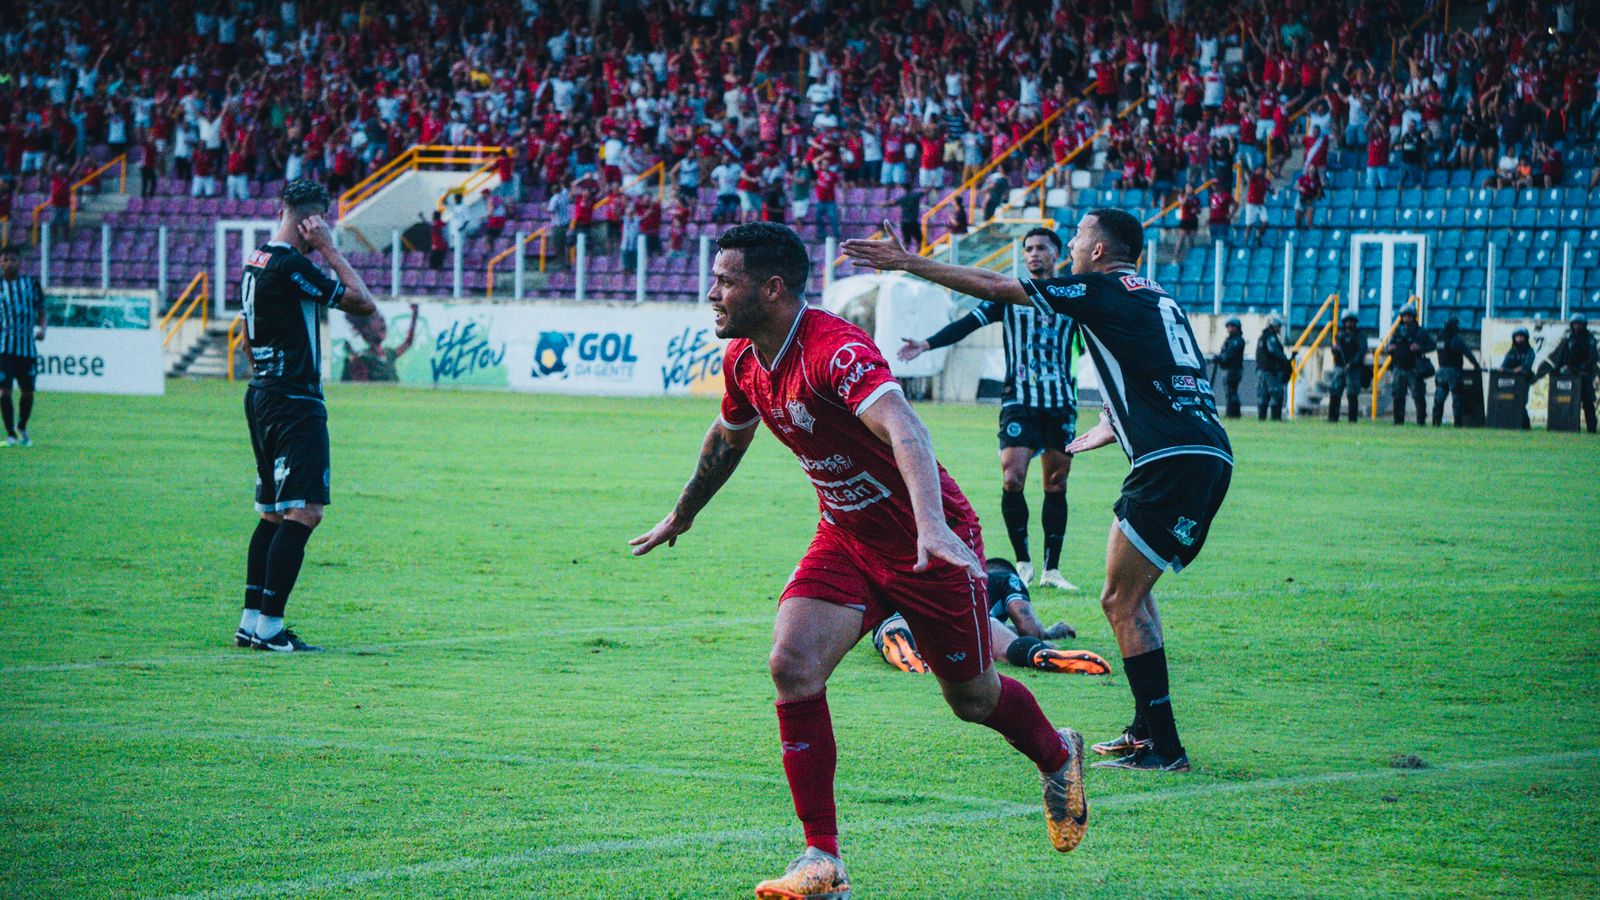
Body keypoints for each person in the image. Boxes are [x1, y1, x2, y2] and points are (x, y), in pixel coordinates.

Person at [632, 223, 1089, 897]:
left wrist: (931, 524)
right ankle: (823, 860)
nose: (712, 294)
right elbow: (728, 437)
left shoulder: (834, 348)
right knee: (792, 663)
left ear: (773, 288)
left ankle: (1057, 754)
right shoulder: (744, 362)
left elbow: (906, 426)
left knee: (972, 698)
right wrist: (686, 510)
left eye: (725, 281)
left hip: (928, 541)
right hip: (846, 536)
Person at [845, 207, 1234, 774]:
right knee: (1132, 596)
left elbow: (999, 287)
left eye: (1079, 235)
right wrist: (1115, 425)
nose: (1072, 241)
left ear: (1100, 250)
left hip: (1169, 460)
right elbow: (1169, 374)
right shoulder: (1157, 297)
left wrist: (909, 263)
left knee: (1119, 600)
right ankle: (1145, 730)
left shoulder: (1099, 287)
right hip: (1201, 450)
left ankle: (1165, 747)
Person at [235, 180, 377, 653]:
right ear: (312, 220)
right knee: (305, 512)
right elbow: (362, 302)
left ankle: (252, 619)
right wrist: (330, 250)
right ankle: (270, 629)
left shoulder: (256, 260)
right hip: (294, 400)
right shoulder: (293, 265)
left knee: (274, 514)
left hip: (262, 393)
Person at [899, 227, 1082, 590]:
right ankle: (1024, 562)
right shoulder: (1009, 297)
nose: (1033, 254)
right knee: (1012, 477)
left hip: (1061, 404)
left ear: (1056, 254)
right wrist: (927, 343)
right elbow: (967, 324)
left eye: (1041, 248)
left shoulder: (1074, 298)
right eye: (1028, 248)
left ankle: (1052, 570)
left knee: (1056, 483)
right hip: (1018, 401)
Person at [0, 246, 46, 447]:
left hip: (27, 348)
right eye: (6, 259)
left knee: (28, 392)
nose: (10, 263)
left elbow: (42, 311)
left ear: (20, 262)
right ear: (0, 263)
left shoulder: (31, 284)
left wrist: (43, 329)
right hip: (3, 349)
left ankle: (22, 427)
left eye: (13, 259)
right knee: (4, 391)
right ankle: (10, 434)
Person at [340, 303, 419, 382]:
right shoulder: (364, 359)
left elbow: (408, 343)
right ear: (366, 329)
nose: (382, 320)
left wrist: (414, 316)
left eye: (381, 317)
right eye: (374, 318)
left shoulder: (389, 354)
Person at [1549, 315, 1598, 433]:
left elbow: (1593, 357)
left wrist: (1580, 368)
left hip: (1584, 375)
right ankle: (1568, 426)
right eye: (1574, 324)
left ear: (1584, 325)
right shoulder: (1570, 339)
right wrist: (1556, 368)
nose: (1576, 326)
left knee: (1587, 403)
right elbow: (1562, 356)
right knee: (1568, 401)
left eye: (1579, 324)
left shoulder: (1589, 339)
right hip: (1571, 375)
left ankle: (1592, 428)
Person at [1386, 308, 1434, 426]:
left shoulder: (1420, 332)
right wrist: (1390, 349)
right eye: (1404, 316)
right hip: (1399, 368)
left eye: (1409, 315)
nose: (1407, 318)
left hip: (1414, 368)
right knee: (1398, 396)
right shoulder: (1397, 331)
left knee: (1418, 396)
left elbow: (1432, 345)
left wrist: (1420, 348)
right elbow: (1391, 346)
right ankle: (1398, 422)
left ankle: (1421, 422)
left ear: (1413, 317)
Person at [1431, 317, 1482, 427]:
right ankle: (1457, 424)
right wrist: (1477, 366)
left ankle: (1436, 423)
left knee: (1439, 399)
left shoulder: (1439, 338)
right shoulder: (1455, 339)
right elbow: (1467, 353)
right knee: (1457, 399)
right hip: (1454, 372)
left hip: (1441, 372)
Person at [1329, 311, 1366, 423]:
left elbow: (1361, 351)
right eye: (1347, 321)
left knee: (1352, 393)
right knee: (1335, 391)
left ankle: (1352, 419)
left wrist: (1352, 363)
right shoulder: (1340, 335)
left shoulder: (1360, 336)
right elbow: (1336, 352)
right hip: (1340, 367)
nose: (1349, 324)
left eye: (1351, 321)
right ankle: (1332, 418)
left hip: (1353, 368)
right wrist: (1334, 350)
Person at [1499, 327, 1537, 429]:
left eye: (1521, 336)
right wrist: (1503, 369)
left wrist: (1521, 368)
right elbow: (1504, 364)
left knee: (1521, 402)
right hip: (1511, 381)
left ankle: (1526, 426)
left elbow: (1527, 365)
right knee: (1511, 402)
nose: (1519, 339)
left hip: (1524, 380)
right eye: (1517, 337)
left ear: (1525, 338)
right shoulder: (1512, 351)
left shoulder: (1530, 351)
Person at [1255, 314, 1290, 421]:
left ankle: (1262, 419)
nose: (1279, 328)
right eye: (1277, 326)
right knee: (1276, 393)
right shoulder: (1271, 338)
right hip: (1270, 372)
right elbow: (1274, 352)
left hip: (1261, 371)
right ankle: (1275, 418)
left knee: (1263, 396)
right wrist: (1284, 360)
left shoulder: (1262, 337)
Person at [1213, 317, 1245, 419]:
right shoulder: (1231, 340)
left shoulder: (1236, 341)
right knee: (1230, 392)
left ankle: (1233, 414)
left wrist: (1220, 358)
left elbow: (1228, 355)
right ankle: (1232, 413)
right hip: (1229, 369)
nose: (1229, 329)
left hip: (1233, 370)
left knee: (1231, 392)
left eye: (1232, 326)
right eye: (1228, 326)